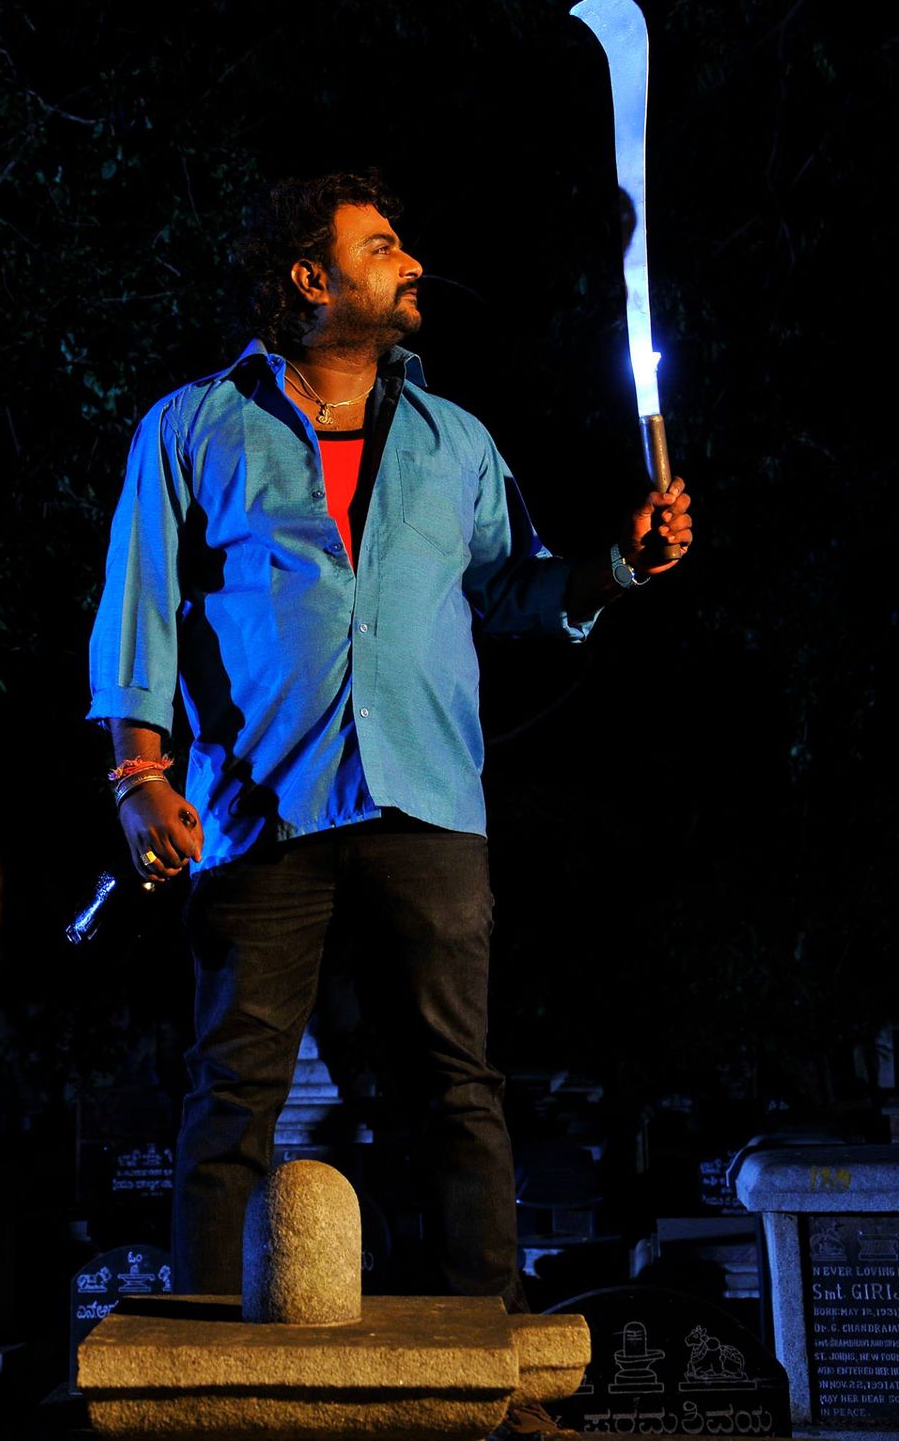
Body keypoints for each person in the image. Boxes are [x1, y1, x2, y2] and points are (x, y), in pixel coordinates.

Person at [86, 168, 693, 1312]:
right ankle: (200, 1357)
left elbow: (512, 590)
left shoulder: (452, 439)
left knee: (456, 1085)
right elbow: (141, 600)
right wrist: (137, 771)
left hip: (426, 797)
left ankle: (483, 1340)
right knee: (232, 1092)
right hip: (258, 802)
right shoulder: (193, 427)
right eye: (380, 249)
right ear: (310, 279)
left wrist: (620, 564)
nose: (412, 265)